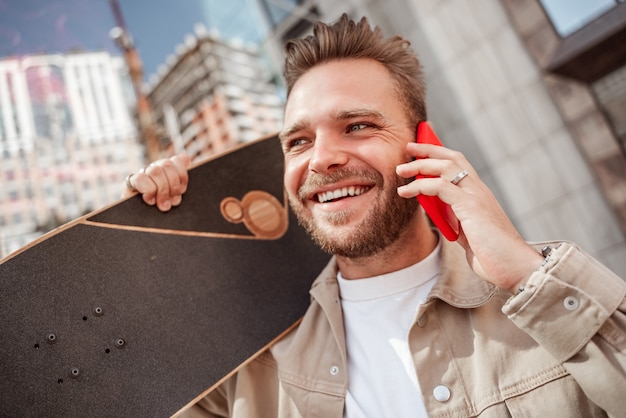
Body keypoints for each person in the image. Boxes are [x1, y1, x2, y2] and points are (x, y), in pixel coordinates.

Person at [123, 14, 626, 418]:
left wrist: (526, 275)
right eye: (298, 141)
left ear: (423, 146)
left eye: (357, 125)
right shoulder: (249, 368)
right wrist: (159, 240)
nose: (320, 159)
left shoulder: (545, 301)